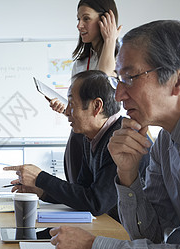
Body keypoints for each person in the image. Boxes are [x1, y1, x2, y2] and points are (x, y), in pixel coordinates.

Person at [50, 20, 180, 249]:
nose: (119, 95)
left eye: (129, 78)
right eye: (118, 79)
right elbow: (151, 237)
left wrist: (97, 248)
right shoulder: (162, 144)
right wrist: (127, 174)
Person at [4, 70, 149, 221]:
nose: (66, 112)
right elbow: (82, 192)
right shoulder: (91, 137)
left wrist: (40, 178)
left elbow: (96, 203)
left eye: (72, 104)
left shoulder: (122, 139)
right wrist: (42, 191)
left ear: (96, 106)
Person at [50, 0, 122, 185]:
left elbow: (105, 84)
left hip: (107, 140)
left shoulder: (121, 58)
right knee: (77, 194)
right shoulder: (81, 63)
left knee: (96, 201)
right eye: (78, 19)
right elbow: (81, 104)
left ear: (106, 20)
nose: (79, 25)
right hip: (79, 139)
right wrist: (66, 106)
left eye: (86, 18)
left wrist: (110, 40)